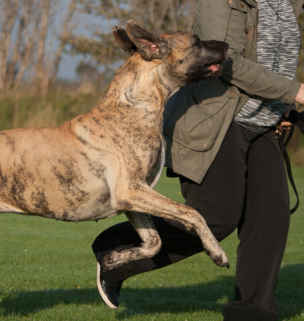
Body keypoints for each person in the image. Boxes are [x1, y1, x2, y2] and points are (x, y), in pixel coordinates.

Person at [92, 0, 304, 320]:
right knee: (215, 219)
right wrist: (295, 91)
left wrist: (282, 104)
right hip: (216, 121)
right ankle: (117, 251)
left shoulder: (288, 3)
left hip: (265, 123)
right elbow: (227, 61)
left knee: (270, 221)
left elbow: (273, 59)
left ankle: (252, 313)